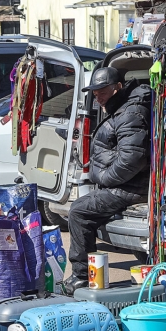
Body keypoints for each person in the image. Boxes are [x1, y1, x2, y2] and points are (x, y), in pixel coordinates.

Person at [61, 66, 152, 294]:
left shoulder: (130, 112)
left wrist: (105, 178)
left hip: (128, 188)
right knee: (85, 206)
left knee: (79, 211)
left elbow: (132, 159)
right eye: (95, 92)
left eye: (102, 91)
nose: (98, 97)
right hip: (123, 185)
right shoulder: (121, 108)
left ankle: (81, 276)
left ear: (118, 87)